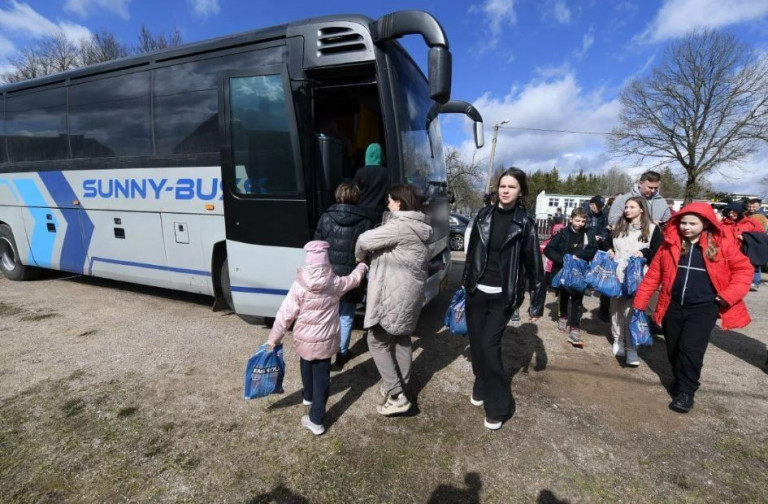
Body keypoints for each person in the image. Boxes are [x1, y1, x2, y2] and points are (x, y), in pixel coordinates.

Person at [633, 203, 752, 413]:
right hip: (673, 305)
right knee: (674, 348)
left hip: (704, 307)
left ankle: (687, 391)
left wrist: (726, 296)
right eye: (683, 223)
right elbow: (653, 275)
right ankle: (680, 379)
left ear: (705, 223)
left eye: (692, 223)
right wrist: (640, 303)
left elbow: (743, 271)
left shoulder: (722, 244)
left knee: (691, 349)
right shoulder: (670, 244)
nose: (686, 227)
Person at [463, 167, 546, 430]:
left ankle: (498, 406)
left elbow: (534, 264)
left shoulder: (526, 222)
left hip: (503, 295)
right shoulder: (483, 215)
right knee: (476, 345)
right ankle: (481, 382)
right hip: (476, 292)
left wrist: (536, 301)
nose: (506, 190)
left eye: (511, 186)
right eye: (502, 186)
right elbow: (472, 253)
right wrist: (466, 284)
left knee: (489, 346)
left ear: (520, 191)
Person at [267, 241, 368, 435]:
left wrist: (274, 339)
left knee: (306, 361)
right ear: (326, 262)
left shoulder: (299, 285)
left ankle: (311, 406)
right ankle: (315, 414)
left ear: (308, 263)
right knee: (322, 376)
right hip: (326, 339)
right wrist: (362, 265)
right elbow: (354, 279)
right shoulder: (335, 283)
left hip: (304, 339)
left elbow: (284, 314)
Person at [355, 184, 432, 416]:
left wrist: (361, 259)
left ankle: (397, 394)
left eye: (389, 200)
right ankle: (400, 386)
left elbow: (364, 240)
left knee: (376, 340)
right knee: (402, 338)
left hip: (393, 294)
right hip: (410, 293)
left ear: (399, 203)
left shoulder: (399, 226)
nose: (387, 204)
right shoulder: (420, 226)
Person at [314, 182, 374, 370]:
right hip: (351, 277)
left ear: (338, 195)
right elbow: (367, 251)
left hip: (328, 275)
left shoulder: (326, 217)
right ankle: (341, 353)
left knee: (326, 314)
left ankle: (323, 351)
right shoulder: (366, 220)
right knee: (346, 315)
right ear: (356, 197)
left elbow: (317, 246)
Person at [605, 197, 662, 366]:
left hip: (637, 277)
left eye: (632, 207)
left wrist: (645, 253)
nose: (627, 210)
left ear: (642, 209)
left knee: (632, 312)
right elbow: (608, 243)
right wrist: (608, 249)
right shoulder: (618, 226)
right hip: (617, 274)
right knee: (615, 309)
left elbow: (658, 252)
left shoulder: (652, 229)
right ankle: (618, 340)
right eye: (626, 207)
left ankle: (632, 348)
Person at [544, 207, 598, 348]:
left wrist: (579, 256)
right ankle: (563, 317)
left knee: (577, 300)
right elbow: (548, 249)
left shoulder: (588, 233)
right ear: (571, 220)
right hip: (563, 271)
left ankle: (574, 328)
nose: (580, 224)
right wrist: (564, 260)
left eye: (583, 221)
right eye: (577, 220)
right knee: (563, 296)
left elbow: (593, 250)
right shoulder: (562, 233)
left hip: (580, 272)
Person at [352, 143, 389, 223]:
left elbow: (354, 193)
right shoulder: (386, 173)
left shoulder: (360, 172)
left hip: (361, 214)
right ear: (380, 156)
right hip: (379, 215)